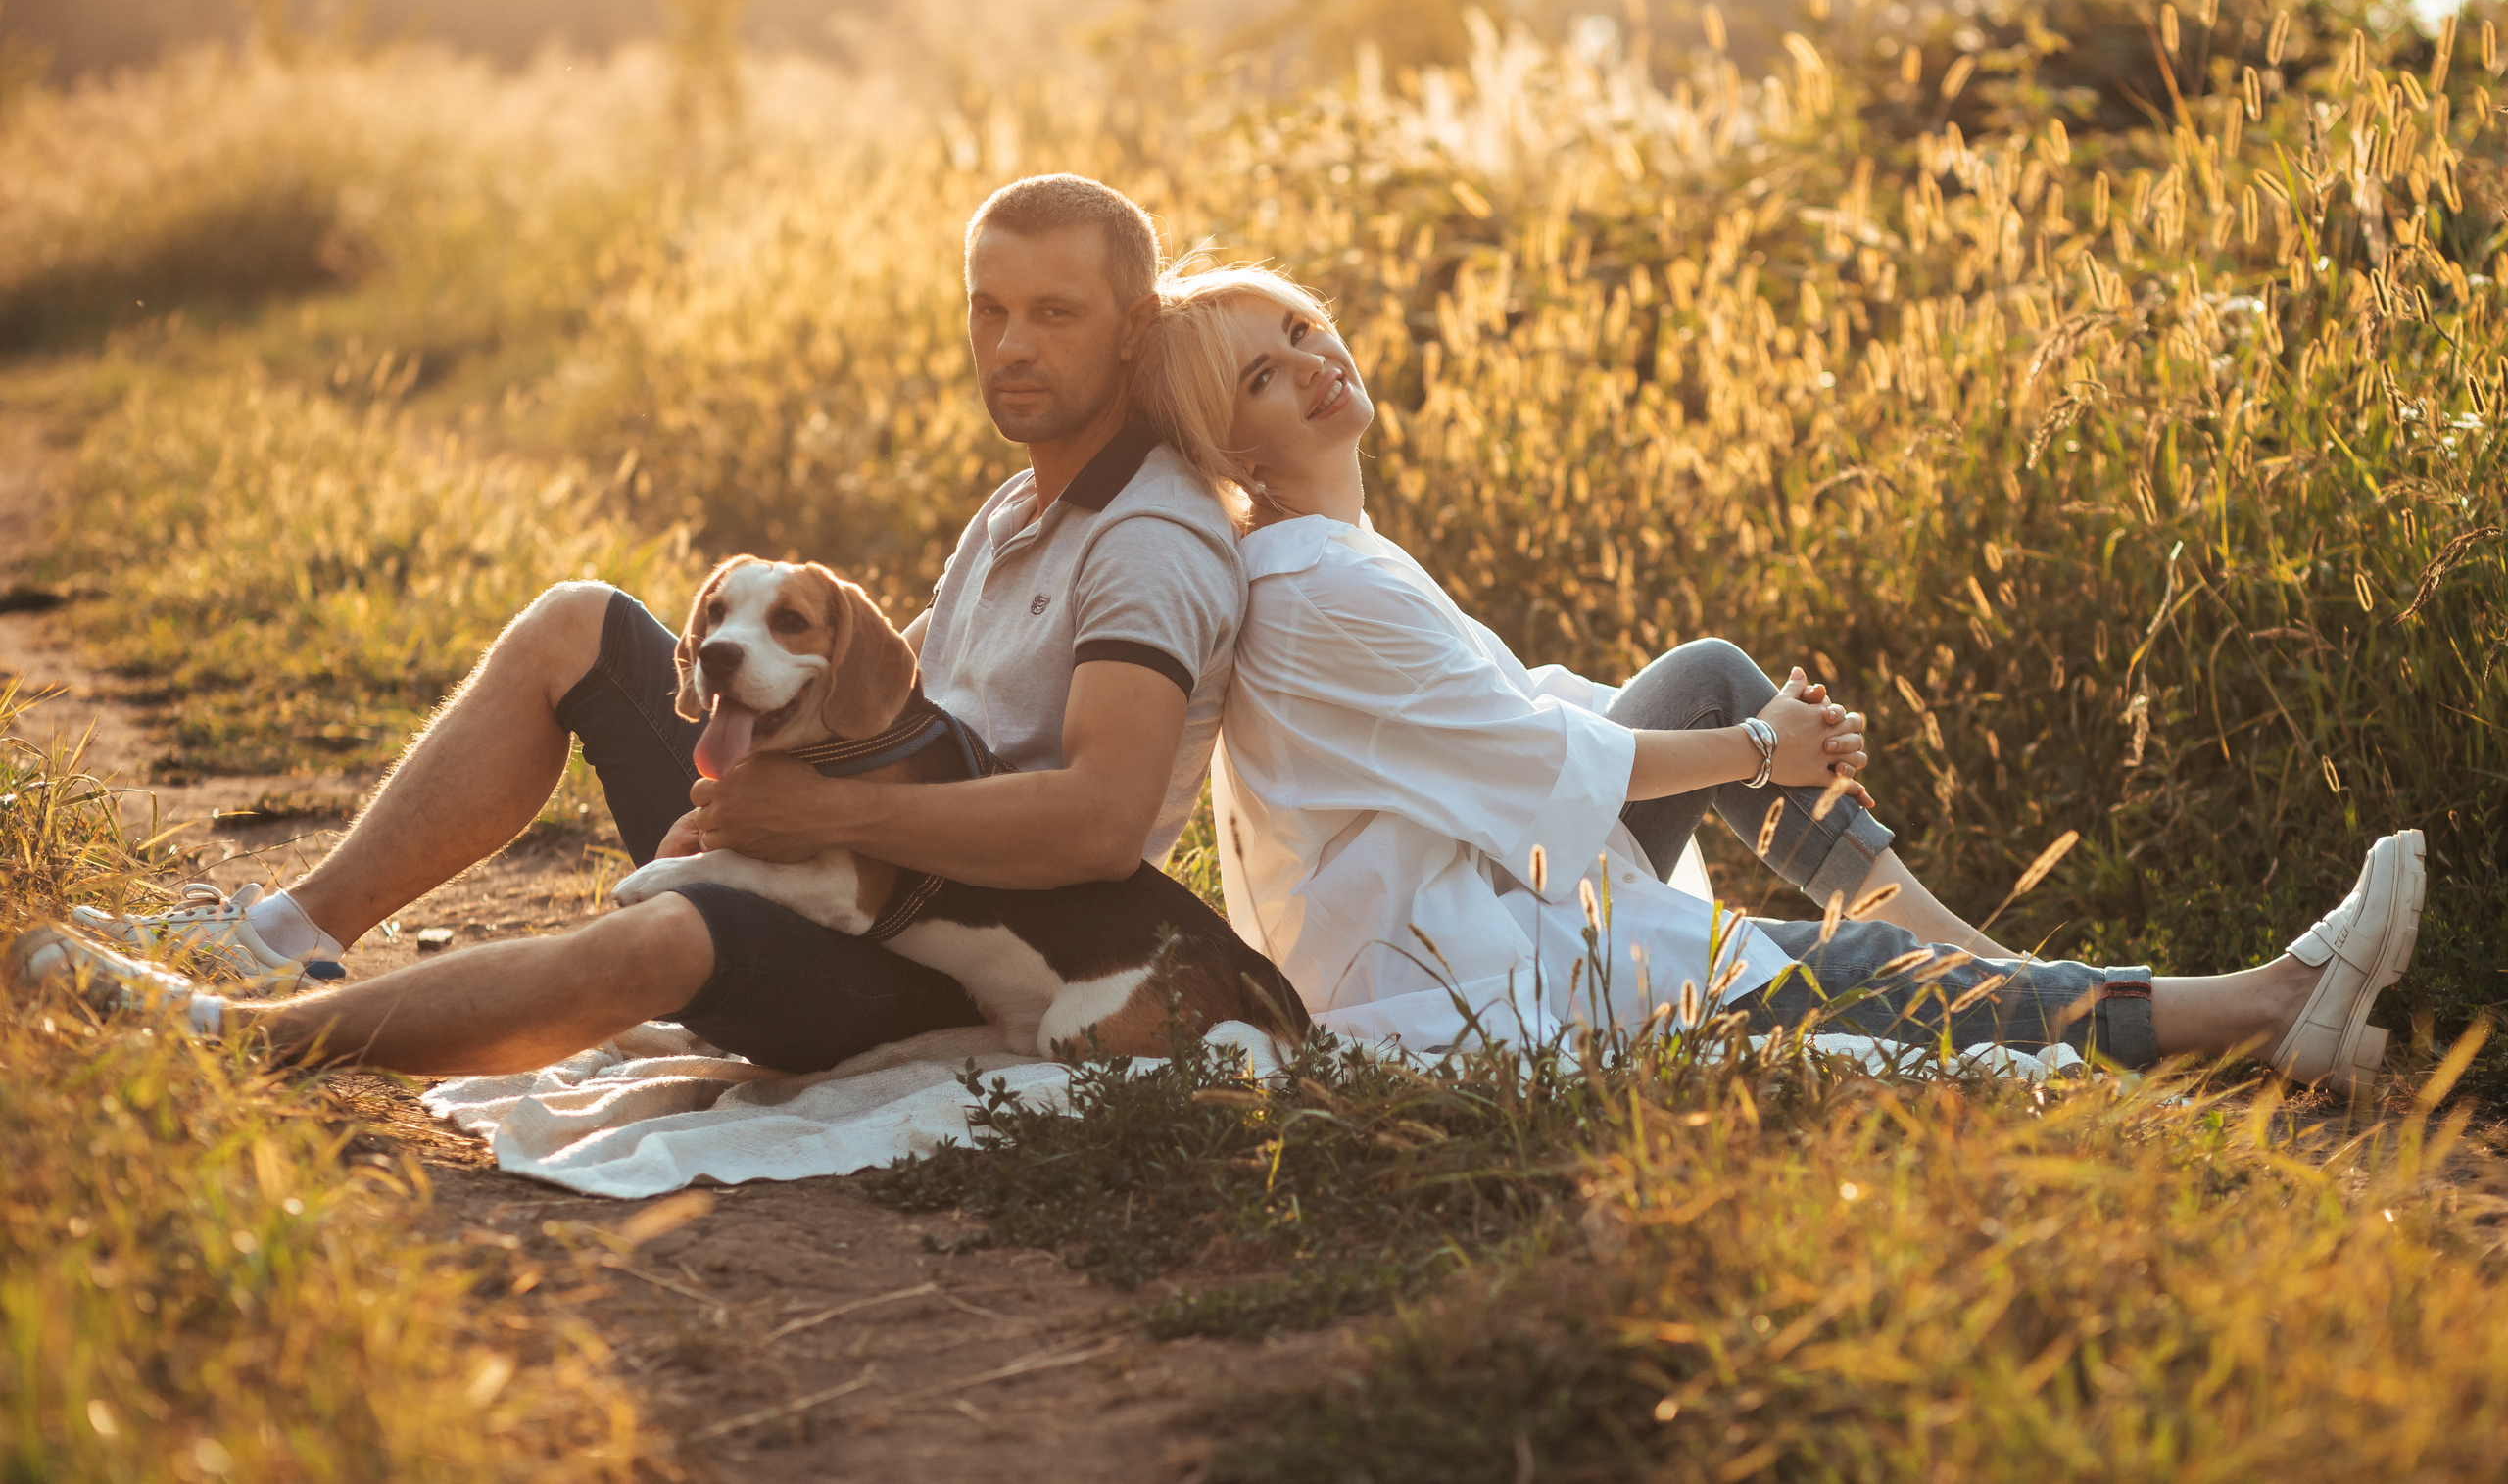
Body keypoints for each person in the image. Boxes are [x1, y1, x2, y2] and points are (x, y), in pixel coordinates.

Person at [14, 174, 1251, 1079]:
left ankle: (241, 1039)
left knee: (672, 933)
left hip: (943, 944)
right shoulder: (1017, 502)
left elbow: (1096, 825)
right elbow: (899, 695)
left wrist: (826, 815)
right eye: (988, 310)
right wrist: (777, 769)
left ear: (1134, 326)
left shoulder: (1149, 542)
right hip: (842, 825)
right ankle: (286, 939)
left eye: (1056, 313)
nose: (1011, 346)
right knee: (577, 621)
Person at [1136, 262, 2423, 1095]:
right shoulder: (1321, 588)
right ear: (1224, 443)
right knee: (1845, 973)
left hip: (1478, 894)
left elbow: (1519, 709)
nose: (1314, 360)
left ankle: (2028, 970)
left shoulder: (1332, 560)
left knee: (1702, 683)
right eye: (1265, 371)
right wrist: (1760, 755)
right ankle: (2263, 1008)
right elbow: (1535, 769)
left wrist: (1748, 729)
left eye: (1304, 327)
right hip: (1449, 978)